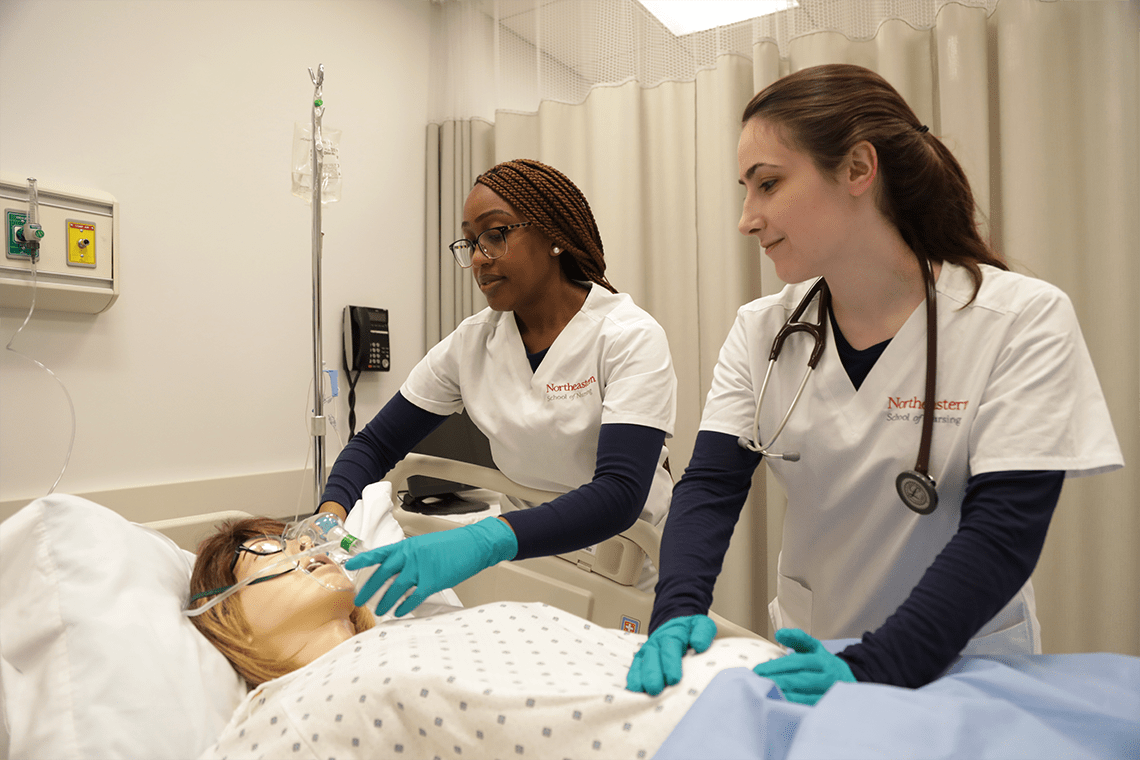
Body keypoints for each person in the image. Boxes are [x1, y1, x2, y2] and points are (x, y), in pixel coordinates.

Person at [625, 64, 1124, 704]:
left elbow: (1003, 533)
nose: (747, 219)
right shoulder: (762, 330)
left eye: (768, 184)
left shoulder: (1021, 320)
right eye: (745, 191)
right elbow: (712, 487)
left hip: (961, 664)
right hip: (816, 652)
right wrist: (677, 605)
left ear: (860, 169)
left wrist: (878, 665)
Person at [319, 159, 677, 615]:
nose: (478, 259)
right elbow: (374, 444)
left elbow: (620, 493)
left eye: (496, 234)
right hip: (529, 555)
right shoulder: (473, 343)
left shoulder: (627, 337)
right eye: (470, 242)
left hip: (627, 564)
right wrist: (329, 515)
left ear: (553, 237)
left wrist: (482, 539)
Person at [188, 515, 376, 686]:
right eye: (267, 550)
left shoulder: (393, 638)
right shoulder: (288, 716)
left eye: (299, 538)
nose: (306, 542)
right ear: (228, 615)